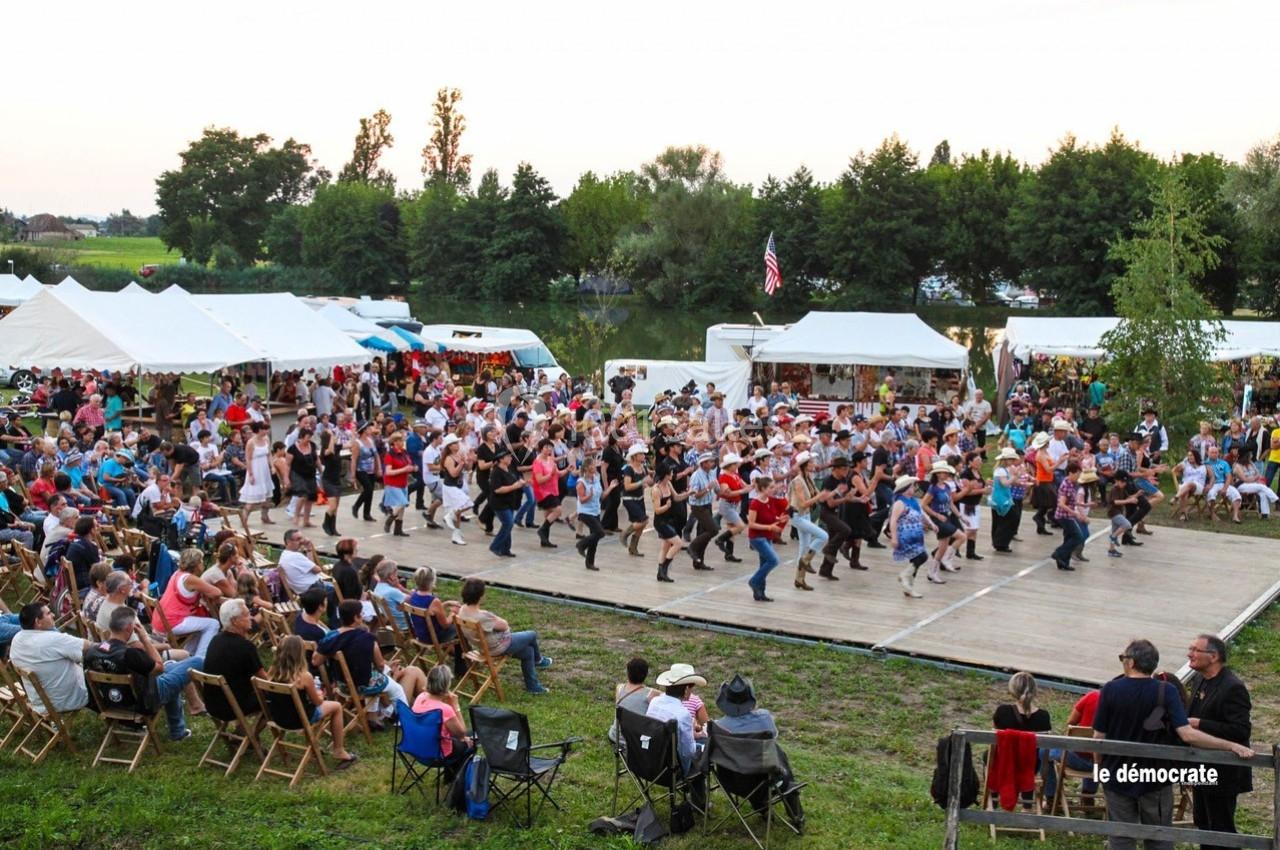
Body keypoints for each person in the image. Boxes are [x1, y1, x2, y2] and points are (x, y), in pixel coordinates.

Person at [1092, 639, 1255, 850]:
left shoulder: (1111, 689)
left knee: (1121, 837)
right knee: (1159, 836)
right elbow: (1187, 734)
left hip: (1117, 773)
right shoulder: (1166, 690)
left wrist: (1099, 768)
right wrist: (1229, 745)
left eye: (1123, 658)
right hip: (1155, 776)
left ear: (1131, 662)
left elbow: (1098, 738)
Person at [85, 605, 203, 742]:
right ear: (129, 628)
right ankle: (178, 730)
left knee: (171, 665)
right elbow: (159, 668)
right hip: (144, 701)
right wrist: (144, 639)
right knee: (197, 661)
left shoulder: (93, 652)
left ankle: (178, 730)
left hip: (114, 702)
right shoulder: (130, 654)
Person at [1185, 634, 1253, 845]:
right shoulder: (1199, 679)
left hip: (1223, 771)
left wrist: (1199, 723)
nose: (1190, 653)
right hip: (1201, 765)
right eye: (1190, 648)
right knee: (1203, 823)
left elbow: (1240, 730)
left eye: (1196, 650)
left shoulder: (1232, 687)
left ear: (1213, 656)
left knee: (1221, 828)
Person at [713, 674, 804, 828]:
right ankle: (796, 814)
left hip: (730, 781)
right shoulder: (764, 718)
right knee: (776, 752)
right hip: (764, 783)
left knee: (751, 764)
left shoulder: (718, 727)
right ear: (750, 699)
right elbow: (773, 736)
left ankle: (762, 808)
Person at [314, 600, 425, 724]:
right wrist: (391, 671)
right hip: (362, 685)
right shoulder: (367, 639)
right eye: (361, 614)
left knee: (371, 672)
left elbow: (316, 660)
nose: (362, 616)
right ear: (356, 617)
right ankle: (403, 720)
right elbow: (380, 666)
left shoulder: (331, 636)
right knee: (397, 689)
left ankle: (380, 713)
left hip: (342, 684)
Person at [268, 635, 359, 768]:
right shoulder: (304, 676)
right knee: (337, 706)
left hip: (278, 718)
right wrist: (321, 695)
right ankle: (339, 750)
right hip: (299, 719)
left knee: (304, 705)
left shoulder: (272, 672)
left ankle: (315, 745)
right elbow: (318, 703)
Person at [456, 578, 551, 695]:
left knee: (528, 652)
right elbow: (504, 625)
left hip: (481, 647)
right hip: (497, 647)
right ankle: (539, 660)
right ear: (480, 597)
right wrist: (494, 616)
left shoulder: (462, 610)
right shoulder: (482, 617)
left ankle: (533, 686)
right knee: (532, 634)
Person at [9, 601, 94, 715]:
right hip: (66, 699)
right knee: (98, 670)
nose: (53, 615)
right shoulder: (53, 640)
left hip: (40, 701)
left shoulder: (17, 639)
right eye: (48, 613)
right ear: (38, 622)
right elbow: (88, 646)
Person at [991, 671, 1052, 808]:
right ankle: (1027, 805)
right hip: (1031, 766)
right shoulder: (1043, 716)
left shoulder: (1003, 711)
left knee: (988, 757)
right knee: (1028, 761)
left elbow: (994, 738)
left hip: (1004, 763)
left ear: (1012, 690)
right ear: (1034, 690)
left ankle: (993, 800)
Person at [411, 664, 475, 779]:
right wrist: (455, 706)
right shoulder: (444, 710)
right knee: (470, 741)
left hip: (417, 748)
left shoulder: (421, 697)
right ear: (446, 686)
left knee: (460, 737)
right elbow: (462, 732)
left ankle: (451, 777)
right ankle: (455, 780)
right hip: (436, 754)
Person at [158, 548, 223, 657]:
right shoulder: (190, 579)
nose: (202, 564)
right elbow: (217, 593)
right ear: (197, 564)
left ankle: (189, 654)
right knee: (213, 624)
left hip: (162, 619)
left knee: (201, 623)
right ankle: (200, 659)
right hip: (173, 622)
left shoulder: (177, 574)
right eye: (201, 561)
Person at [646, 663, 706, 778]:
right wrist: (698, 743)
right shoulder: (683, 714)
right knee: (706, 746)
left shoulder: (655, 702)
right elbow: (688, 752)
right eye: (692, 687)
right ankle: (697, 794)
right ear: (686, 689)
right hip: (673, 769)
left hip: (653, 761)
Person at [889, 475, 935, 599]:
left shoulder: (913, 501)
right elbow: (893, 520)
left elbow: (922, 513)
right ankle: (904, 576)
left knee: (915, 560)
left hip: (916, 534)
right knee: (922, 556)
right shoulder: (900, 502)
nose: (915, 488)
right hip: (905, 535)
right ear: (905, 488)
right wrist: (894, 537)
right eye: (912, 486)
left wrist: (931, 524)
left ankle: (908, 587)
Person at [746, 475, 789, 602]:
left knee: (764, 564)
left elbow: (770, 517)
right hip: (757, 537)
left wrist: (779, 519)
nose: (773, 489)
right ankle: (754, 581)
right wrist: (770, 527)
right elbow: (751, 524)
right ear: (763, 488)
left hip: (767, 536)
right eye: (771, 487)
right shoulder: (755, 503)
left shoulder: (770, 501)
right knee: (773, 560)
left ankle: (760, 593)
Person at [788, 451, 827, 590]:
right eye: (811, 462)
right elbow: (803, 503)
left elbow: (819, 496)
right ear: (804, 465)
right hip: (798, 516)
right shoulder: (798, 481)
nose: (814, 464)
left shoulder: (808, 478)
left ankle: (799, 579)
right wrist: (819, 496)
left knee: (803, 548)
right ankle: (805, 561)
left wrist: (834, 493)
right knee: (823, 535)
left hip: (805, 515)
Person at [574, 455, 615, 571]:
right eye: (593, 464)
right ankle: (581, 544)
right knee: (600, 532)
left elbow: (601, 496)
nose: (595, 466)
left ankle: (589, 563)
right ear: (587, 468)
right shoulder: (581, 482)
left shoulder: (596, 478)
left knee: (595, 539)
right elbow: (581, 500)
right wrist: (589, 496)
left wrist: (610, 488)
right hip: (585, 512)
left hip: (595, 511)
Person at [651, 461, 689, 583]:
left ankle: (660, 573)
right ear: (665, 474)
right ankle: (664, 569)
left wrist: (689, 493)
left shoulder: (668, 484)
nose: (672, 474)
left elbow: (677, 497)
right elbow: (657, 510)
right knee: (678, 543)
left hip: (669, 520)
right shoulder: (656, 490)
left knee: (665, 546)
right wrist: (667, 506)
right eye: (671, 472)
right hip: (661, 522)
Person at [607, 656, 660, 744]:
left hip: (615, 736)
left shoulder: (620, 688)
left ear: (628, 673)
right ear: (646, 674)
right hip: (635, 742)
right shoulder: (651, 694)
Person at [406, 567, 457, 647]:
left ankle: (453, 653)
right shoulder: (433, 601)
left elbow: (430, 611)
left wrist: (446, 603)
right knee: (458, 627)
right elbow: (445, 625)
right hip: (433, 638)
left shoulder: (413, 595)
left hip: (420, 635)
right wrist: (453, 613)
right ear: (433, 581)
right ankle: (461, 658)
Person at [1050, 461, 1086, 572]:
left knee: (1069, 538)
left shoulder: (1072, 484)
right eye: (1077, 474)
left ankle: (1063, 562)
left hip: (1069, 515)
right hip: (1064, 516)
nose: (1078, 477)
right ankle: (1058, 553)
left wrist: (1084, 505)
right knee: (1078, 537)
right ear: (1071, 473)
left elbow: (1072, 501)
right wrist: (1074, 513)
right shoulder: (1065, 485)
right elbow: (1061, 503)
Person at [488, 448, 523, 558]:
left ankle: (505, 549)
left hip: (509, 501)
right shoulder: (496, 472)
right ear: (501, 459)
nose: (511, 458)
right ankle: (495, 546)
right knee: (508, 523)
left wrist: (522, 484)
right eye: (508, 457)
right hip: (499, 502)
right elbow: (497, 489)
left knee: (508, 524)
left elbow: (513, 483)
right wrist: (514, 486)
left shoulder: (508, 469)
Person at [618, 443, 651, 558]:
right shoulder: (628, 469)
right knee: (644, 520)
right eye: (641, 454)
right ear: (634, 456)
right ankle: (625, 534)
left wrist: (647, 482)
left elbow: (647, 481)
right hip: (629, 498)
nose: (643, 456)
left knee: (641, 524)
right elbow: (627, 486)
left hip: (639, 498)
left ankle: (633, 547)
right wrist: (641, 482)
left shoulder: (643, 467)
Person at [439, 434, 472, 546]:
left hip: (458, 485)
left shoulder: (458, 455)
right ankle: (449, 515)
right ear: (449, 446)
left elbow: (468, 469)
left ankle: (456, 536)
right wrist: (461, 464)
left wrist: (467, 461)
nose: (457, 445)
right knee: (467, 503)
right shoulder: (448, 458)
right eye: (454, 443)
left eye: (457, 443)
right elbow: (453, 473)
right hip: (450, 487)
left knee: (458, 513)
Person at [380, 432, 414, 538]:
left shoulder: (404, 452)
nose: (402, 442)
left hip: (403, 482)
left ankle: (398, 529)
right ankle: (390, 519)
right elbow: (388, 472)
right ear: (394, 442)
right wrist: (404, 469)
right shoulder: (390, 455)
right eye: (399, 440)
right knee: (403, 502)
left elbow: (408, 464)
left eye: (402, 440)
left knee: (402, 507)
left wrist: (412, 468)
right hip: (392, 483)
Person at [349, 421, 382, 523]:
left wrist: (379, 468)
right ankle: (356, 506)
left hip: (371, 469)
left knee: (370, 491)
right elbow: (354, 460)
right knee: (368, 488)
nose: (370, 429)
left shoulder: (370, 440)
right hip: (361, 470)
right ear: (363, 431)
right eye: (368, 428)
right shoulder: (357, 443)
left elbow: (376, 455)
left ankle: (366, 514)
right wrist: (353, 475)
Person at [285, 428, 318, 529]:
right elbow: (287, 465)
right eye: (307, 437)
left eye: (310, 437)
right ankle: (296, 516)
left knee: (311, 497)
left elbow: (316, 459)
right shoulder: (292, 449)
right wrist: (286, 478)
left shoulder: (312, 446)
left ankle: (306, 520)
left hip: (311, 474)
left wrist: (321, 471)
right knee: (302, 495)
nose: (309, 439)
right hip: (298, 474)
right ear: (301, 437)